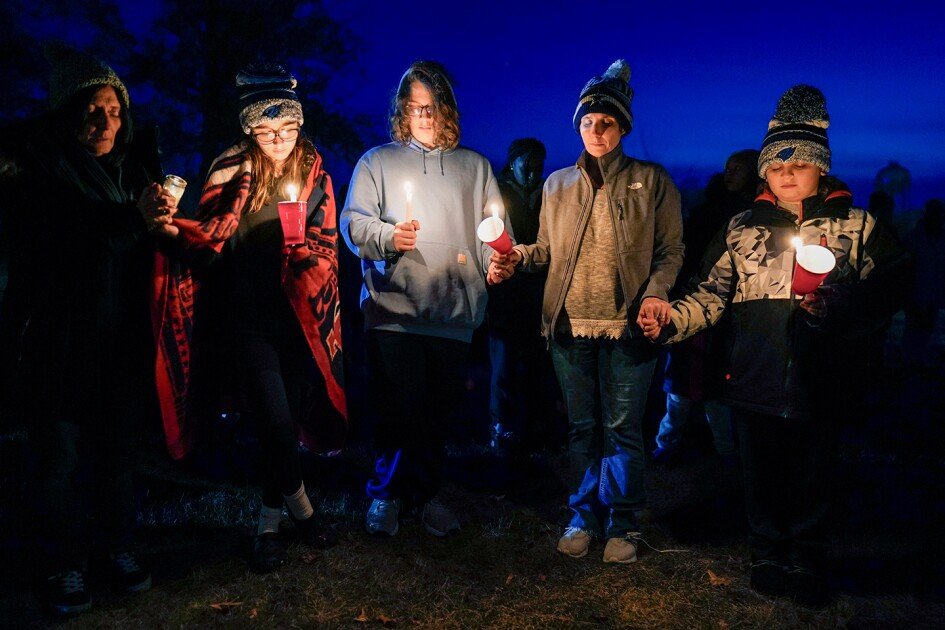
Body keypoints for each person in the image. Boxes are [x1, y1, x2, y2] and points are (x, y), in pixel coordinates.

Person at [641, 85, 911, 606]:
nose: (787, 173)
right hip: (755, 376)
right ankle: (766, 551)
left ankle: (807, 556)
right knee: (761, 473)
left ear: (821, 168)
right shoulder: (741, 228)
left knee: (815, 474)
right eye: (777, 165)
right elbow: (711, 292)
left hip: (822, 378)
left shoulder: (857, 226)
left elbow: (894, 282)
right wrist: (671, 319)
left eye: (800, 163)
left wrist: (843, 304)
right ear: (764, 171)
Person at [152, 63, 346, 573]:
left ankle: (267, 527)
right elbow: (207, 241)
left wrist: (305, 258)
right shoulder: (228, 169)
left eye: (287, 127)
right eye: (266, 128)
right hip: (248, 320)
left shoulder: (316, 174)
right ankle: (304, 513)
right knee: (275, 422)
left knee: (285, 422)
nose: (279, 138)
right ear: (249, 128)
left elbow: (328, 251)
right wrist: (174, 233)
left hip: (300, 321)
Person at [0, 43, 172, 616]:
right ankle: (60, 563)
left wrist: (166, 228)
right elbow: (57, 240)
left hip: (119, 337)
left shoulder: (131, 171)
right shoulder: (34, 168)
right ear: (67, 112)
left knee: (117, 452)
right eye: (93, 109)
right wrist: (132, 220)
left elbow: (138, 247)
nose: (105, 122)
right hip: (58, 338)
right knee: (59, 457)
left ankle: (116, 547)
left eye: (115, 110)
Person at [493, 60, 684, 563]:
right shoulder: (557, 185)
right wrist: (515, 257)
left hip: (629, 328)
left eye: (606, 122)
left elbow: (671, 251)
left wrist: (656, 293)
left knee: (622, 428)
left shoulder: (651, 180)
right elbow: (546, 250)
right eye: (587, 122)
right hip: (568, 326)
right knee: (581, 427)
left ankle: (623, 522)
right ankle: (582, 515)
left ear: (623, 127)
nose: (595, 131)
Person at [341, 60, 509, 538]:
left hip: (453, 313)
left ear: (448, 108)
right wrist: (388, 237)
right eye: (415, 107)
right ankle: (386, 494)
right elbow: (353, 224)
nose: (424, 116)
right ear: (401, 110)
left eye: (432, 106)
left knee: (437, 416)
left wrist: (497, 261)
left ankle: (427, 494)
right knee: (397, 411)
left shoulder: (474, 167)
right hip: (394, 311)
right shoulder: (377, 162)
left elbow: (491, 231)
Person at [652, 150, 762, 466]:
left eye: (737, 168)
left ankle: (727, 453)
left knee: (717, 386)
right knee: (688, 381)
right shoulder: (709, 214)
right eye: (727, 168)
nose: (729, 173)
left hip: (737, 316)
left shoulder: (756, 217)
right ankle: (676, 446)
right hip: (699, 304)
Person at [486, 138, 560, 454]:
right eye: (526, 164)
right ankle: (501, 426)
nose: (532, 172)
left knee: (537, 362)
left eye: (537, 166)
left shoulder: (548, 194)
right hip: (506, 292)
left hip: (539, 292)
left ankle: (536, 426)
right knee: (504, 363)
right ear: (513, 162)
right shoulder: (498, 193)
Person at [903, 198, 945, 370]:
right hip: (918, 292)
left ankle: (915, 361)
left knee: (924, 328)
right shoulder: (915, 238)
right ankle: (911, 362)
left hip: (930, 291)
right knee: (916, 328)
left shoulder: (916, 237)